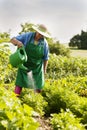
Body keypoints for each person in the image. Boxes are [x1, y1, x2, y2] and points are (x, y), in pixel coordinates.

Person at [10, 24, 51, 96]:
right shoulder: (28, 36)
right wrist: (18, 42)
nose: (40, 36)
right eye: (39, 33)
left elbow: (46, 58)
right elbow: (12, 40)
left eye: (42, 35)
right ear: (36, 31)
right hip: (25, 64)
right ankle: (15, 98)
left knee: (39, 85)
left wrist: (44, 70)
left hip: (37, 67)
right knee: (19, 83)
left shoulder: (44, 43)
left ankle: (35, 101)